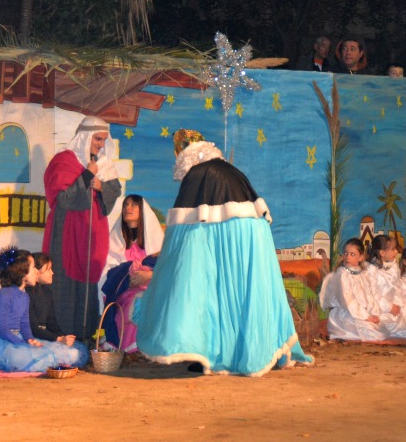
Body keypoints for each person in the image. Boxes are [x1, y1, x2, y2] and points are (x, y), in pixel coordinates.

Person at [135, 130, 312, 375]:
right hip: (251, 240)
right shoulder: (232, 171)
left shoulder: (197, 175)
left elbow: (184, 239)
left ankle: (208, 352)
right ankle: (249, 349)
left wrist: (167, 265)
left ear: (184, 156)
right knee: (241, 292)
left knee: (205, 291)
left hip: (220, 238)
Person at [0, 247, 88, 373]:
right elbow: (2, 329)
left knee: (60, 354)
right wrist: (22, 344)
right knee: (20, 358)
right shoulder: (5, 294)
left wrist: (30, 340)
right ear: (23, 273)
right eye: (33, 268)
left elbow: (24, 325)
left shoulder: (25, 296)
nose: (36, 272)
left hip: (17, 339)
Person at [43, 115, 122, 339]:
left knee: (87, 285)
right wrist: (87, 175)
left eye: (103, 140)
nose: (100, 144)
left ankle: (85, 336)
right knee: (64, 281)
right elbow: (64, 200)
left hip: (92, 233)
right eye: (97, 139)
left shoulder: (103, 164)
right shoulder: (63, 161)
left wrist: (99, 186)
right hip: (66, 233)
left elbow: (114, 191)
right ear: (84, 137)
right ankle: (61, 335)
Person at [100, 194, 164, 352]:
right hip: (123, 288)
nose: (128, 208)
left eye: (134, 205)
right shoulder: (115, 240)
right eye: (125, 204)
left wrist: (149, 275)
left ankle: (146, 346)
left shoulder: (157, 240)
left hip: (153, 286)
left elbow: (166, 267)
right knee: (134, 301)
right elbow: (109, 268)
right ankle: (131, 348)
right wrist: (126, 276)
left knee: (144, 299)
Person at [319, 238, 406, 341]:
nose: (347, 257)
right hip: (346, 314)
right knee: (374, 334)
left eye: (352, 254)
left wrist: (373, 314)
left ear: (360, 257)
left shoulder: (362, 273)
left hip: (361, 314)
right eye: (346, 253)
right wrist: (366, 316)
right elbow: (347, 301)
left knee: (383, 329)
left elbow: (369, 296)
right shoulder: (342, 274)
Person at [27, 253, 74, 345]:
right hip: (34, 338)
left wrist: (63, 336)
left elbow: (51, 322)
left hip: (45, 335)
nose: (52, 273)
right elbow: (33, 328)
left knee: (73, 352)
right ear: (36, 271)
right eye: (48, 269)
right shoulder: (27, 294)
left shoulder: (47, 292)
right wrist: (58, 338)